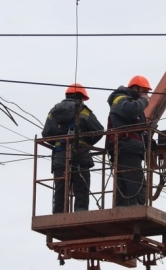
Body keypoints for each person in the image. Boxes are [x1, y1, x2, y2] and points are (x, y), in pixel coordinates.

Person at [42, 83, 104, 213]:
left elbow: (46, 134)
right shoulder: (83, 110)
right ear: (80, 97)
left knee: (60, 187)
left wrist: (60, 142)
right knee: (81, 187)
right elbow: (99, 130)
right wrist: (87, 142)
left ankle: (58, 214)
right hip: (80, 154)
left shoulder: (53, 112)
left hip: (60, 155)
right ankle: (81, 212)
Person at [106, 75, 152, 207]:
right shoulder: (120, 99)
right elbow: (129, 112)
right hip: (126, 146)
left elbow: (139, 126)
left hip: (131, 147)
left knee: (129, 179)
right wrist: (144, 101)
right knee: (134, 179)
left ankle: (124, 206)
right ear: (135, 88)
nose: (146, 94)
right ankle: (134, 206)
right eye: (144, 91)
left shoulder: (132, 102)